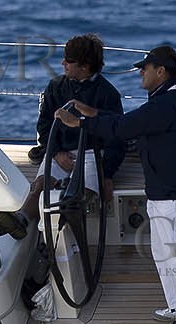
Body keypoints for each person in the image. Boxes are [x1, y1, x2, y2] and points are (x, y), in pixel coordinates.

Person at [56, 45, 176, 324]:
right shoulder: (168, 98)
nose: (140, 72)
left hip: (173, 191)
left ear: (160, 71)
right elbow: (135, 120)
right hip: (164, 188)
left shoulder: (168, 104)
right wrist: (95, 113)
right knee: (163, 252)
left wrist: (82, 122)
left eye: (145, 67)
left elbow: (125, 127)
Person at [22, 34, 124, 220]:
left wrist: (107, 175)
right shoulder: (55, 87)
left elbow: (116, 138)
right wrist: (56, 152)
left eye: (69, 60)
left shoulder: (108, 95)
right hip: (59, 152)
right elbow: (45, 127)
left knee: (76, 201)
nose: (63, 63)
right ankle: (21, 227)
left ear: (84, 66)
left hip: (93, 154)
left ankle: (62, 239)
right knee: (38, 190)